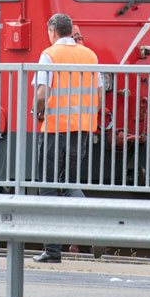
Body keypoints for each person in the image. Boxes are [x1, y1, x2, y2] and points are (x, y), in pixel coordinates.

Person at [32, 14, 103, 263]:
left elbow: (42, 93)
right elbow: (99, 96)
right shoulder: (90, 55)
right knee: (70, 184)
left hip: (54, 129)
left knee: (49, 188)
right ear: (71, 31)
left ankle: (52, 251)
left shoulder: (49, 55)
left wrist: (37, 110)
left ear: (52, 30)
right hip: (82, 130)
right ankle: (94, 225)